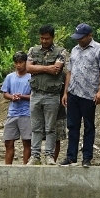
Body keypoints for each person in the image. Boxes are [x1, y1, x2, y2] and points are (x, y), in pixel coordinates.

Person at [60, 23, 100, 168]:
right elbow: (70, 71)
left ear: (89, 36)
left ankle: (87, 157)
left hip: (89, 94)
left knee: (89, 126)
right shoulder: (74, 50)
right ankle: (71, 156)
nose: (79, 40)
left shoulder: (99, 49)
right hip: (74, 93)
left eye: (81, 38)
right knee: (72, 126)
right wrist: (65, 92)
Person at [26, 25, 68, 165]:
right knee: (36, 127)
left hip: (52, 95)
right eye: (42, 38)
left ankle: (49, 155)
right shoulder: (33, 50)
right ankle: (35, 156)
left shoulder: (61, 51)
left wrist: (37, 68)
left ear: (52, 37)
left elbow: (56, 70)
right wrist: (46, 68)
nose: (44, 41)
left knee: (51, 128)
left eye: (47, 38)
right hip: (35, 93)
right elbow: (28, 67)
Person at [1, 51, 32, 165]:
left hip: (26, 113)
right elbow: (5, 93)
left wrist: (22, 96)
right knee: (8, 142)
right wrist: (12, 97)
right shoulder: (10, 77)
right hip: (12, 113)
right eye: (16, 63)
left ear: (25, 62)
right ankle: (7, 168)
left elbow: (34, 96)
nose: (18, 65)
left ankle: (26, 168)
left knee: (27, 142)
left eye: (21, 62)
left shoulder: (31, 77)